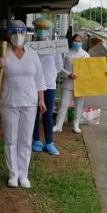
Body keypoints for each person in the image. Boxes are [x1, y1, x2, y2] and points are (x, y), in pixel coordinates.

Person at [0, 20, 47, 188]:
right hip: (9, 102)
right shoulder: (3, 52)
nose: (18, 35)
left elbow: (39, 79)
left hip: (30, 102)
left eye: (21, 32)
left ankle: (23, 174)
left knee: (26, 140)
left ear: (25, 34)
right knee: (11, 139)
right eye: (14, 32)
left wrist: (41, 100)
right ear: (9, 34)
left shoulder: (33, 54)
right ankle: (13, 174)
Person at [31, 17, 63, 155]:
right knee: (34, 113)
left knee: (48, 114)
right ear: (35, 30)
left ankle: (49, 142)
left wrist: (49, 75)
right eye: (39, 29)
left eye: (45, 29)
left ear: (49, 31)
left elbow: (59, 65)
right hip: (32, 85)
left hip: (49, 84)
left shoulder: (54, 46)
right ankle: (36, 140)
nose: (42, 32)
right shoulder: (29, 46)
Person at [53, 34, 90, 133]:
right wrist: (68, 74)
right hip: (68, 83)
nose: (77, 43)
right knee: (64, 104)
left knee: (79, 105)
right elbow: (60, 67)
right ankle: (58, 125)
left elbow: (90, 70)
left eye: (79, 41)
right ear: (72, 41)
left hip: (81, 84)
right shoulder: (66, 53)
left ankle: (76, 125)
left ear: (82, 42)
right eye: (75, 41)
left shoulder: (86, 55)